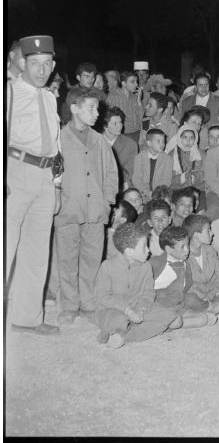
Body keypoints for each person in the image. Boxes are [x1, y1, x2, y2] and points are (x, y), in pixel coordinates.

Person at [6, 35, 61, 335]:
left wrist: (57, 183)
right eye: (35, 64)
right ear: (23, 63)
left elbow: (54, 144)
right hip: (14, 171)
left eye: (46, 64)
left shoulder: (50, 97)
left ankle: (26, 318)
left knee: (36, 251)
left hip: (43, 176)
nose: (41, 70)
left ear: (53, 66)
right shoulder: (9, 93)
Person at [54, 90, 118, 325]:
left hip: (95, 211)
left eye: (97, 108)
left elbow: (112, 172)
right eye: (91, 108)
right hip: (68, 210)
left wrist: (107, 201)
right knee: (67, 260)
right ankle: (70, 305)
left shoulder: (99, 140)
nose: (97, 113)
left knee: (91, 258)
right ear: (74, 108)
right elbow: (51, 173)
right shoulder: (58, 139)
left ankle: (89, 303)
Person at [94, 222, 182, 349]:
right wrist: (127, 311)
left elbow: (149, 293)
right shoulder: (107, 266)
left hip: (138, 306)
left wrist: (141, 309)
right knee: (119, 321)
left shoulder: (146, 266)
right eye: (144, 247)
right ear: (129, 252)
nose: (148, 250)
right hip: (111, 309)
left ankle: (125, 336)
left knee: (175, 320)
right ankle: (130, 328)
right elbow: (103, 297)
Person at [150, 225, 218, 327]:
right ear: (168, 249)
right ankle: (172, 322)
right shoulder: (155, 263)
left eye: (187, 244)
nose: (187, 250)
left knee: (196, 304)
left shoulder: (185, 264)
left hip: (177, 302)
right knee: (198, 319)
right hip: (157, 304)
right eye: (182, 246)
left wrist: (199, 294)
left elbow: (186, 287)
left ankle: (182, 318)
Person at [102, 107, 138, 191]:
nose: (120, 126)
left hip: (121, 186)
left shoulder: (130, 145)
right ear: (105, 126)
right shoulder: (95, 142)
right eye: (115, 123)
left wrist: (125, 185)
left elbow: (131, 173)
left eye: (120, 122)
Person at [131, 129, 172, 201]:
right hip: (142, 192)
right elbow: (137, 179)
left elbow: (166, 180)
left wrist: (155, 193)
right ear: (149, 143)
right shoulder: (139, 157)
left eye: (163, 141)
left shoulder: (167, 159)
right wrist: (145, 191)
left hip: (159, 193)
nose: (162, 144)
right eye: (158, 141)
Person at [106, 70, 144, 144]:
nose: (136, 84)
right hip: (120, 135)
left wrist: (139, 100)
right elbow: (107, 118)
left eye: (136, 81)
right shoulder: (113, 97)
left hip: (136, 134)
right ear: (123, 83)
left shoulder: (134, 97)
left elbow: (141, 118)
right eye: (132, 82)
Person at [165, 124, 204, 190]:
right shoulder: (170, 156)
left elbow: (206, 175)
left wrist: (194, 178)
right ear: (180, 138)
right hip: (176, 189)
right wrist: (182, 178)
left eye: (191, 138)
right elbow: (166, 178)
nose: (188, 141)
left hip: (196, 189)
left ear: (195, 139)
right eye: (185, 137)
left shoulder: (202, 154)